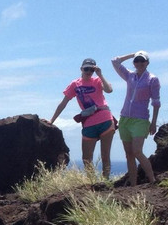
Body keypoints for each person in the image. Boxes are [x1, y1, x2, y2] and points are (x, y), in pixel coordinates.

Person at [50, 57, 117, 179]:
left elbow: (109, 90)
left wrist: (100, 74)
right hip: (89, 122)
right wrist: (51, 121)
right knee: (86, 158)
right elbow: (64, 103)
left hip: (105, 120)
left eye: (91, 69)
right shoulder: (75, 84)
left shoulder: (97, 81)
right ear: (81, 69)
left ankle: (105, 182)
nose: (88, 72)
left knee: (105, 155)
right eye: (86, 69)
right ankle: (92, 182)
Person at [111, 50, 161, 185]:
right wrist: (132, 54)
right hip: (125, 119)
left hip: (140, 120)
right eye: (137, 61)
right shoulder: (129, 76)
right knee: (129, 154)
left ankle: (152, 181)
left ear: (147, 63)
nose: (139, 63)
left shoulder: (152, 79)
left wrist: (153, 123)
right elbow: (115, 61)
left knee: (137, 151)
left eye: (142, 60)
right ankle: (133, 185)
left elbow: (156, 102)